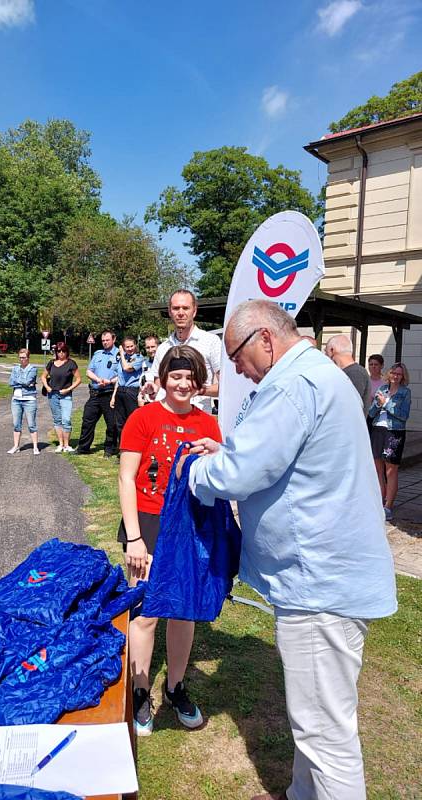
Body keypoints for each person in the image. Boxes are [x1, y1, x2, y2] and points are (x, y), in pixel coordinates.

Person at [182, 300, 396, 800]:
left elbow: (242, 473)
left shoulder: (292, 384)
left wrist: (195, 473)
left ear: (265, 339)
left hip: (318, 583)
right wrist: (230, 453)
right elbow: (273, 453)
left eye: (235, 356)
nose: (234, 369)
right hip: (324, 575)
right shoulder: (315, 375)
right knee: (314, 720)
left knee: (325, 735)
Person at [118, 345, 222, 736]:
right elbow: (127, 478)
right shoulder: (143, 418)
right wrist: (134, 537)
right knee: (145, 613)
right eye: (175, 376)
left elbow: (218, 475)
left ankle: (175, 686)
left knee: (183, 609)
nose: (183, 383)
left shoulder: (208, 424)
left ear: (199, 382)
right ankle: (140, 692)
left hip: (190, 525)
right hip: (147, 522)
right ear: (162, 380)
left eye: (190, 377)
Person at [149, 290, 221, 411]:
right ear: (170, 312)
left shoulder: (211, 342)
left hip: (198, 418)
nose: (180, 313)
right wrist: (152, 390)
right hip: (167, 419)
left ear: (194, 311)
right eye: (176, 308)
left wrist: (197, 390)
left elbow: (225, 387)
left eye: (185, 308)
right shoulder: (163, 348)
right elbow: (158, 384)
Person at [368, 362, 411, 522]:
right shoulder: (382, 389)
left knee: (390, 470)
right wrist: (378, 404)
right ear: (389, 374)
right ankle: (380, 502)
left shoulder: (405, 392)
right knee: (378, 468)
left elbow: (403, 415)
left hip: (394, 432)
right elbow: (371, 413)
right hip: (378, 430)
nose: (395, 376)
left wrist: (387, 404)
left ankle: (388, 506)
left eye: (399, 374)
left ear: (403, 376)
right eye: (393, 373)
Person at [74, 329, 119, 457]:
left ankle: (109, 449)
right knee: (87, 420)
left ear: (113, 340)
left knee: (111, 423)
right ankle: (83, 448)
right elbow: (89, 371)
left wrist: (109, 381)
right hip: (95, 393)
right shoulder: (98, 354)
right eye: (103, 340)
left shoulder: (119, 355)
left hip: (109, 393)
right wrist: (98, 379)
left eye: (107, 340)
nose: (105, 342)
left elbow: (121, 375)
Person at [42, 342, 81, 453]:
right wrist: (47, 387)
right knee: (57, 420)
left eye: (63, 351)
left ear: (67, 352)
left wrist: (68, 389)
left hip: (65, 395)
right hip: (53, 395)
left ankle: (67, 445)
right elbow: (43, 376)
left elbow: (78, 380)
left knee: (66, 420)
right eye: (59, 351)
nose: (61, 353)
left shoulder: (71, 364)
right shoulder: (51, 363)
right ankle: (61, 444)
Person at [109, 335, 144, 435]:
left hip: (131, 392)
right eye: (127, 347)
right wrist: (113, 396)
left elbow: (127, 368)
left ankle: (134, 446)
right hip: (120, 390)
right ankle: (122, 446)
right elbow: (119, 378)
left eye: (131, 346)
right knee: (119, 422)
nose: (130, 349)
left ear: (135, 345)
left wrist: (121, 354)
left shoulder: (138, 358)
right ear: (124, 347)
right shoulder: (122, 359)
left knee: (132, 420)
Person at [324, 334, 370, 408]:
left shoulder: (355, 373)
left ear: (332, 350)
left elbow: (349, 405)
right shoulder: (346, 372)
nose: (325, 355)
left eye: (326, 351)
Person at [8, 348, 39, 455]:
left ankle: (35, 446)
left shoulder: (33, 369)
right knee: (16, 424)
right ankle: (16, 446)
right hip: (16, 399)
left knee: (31, 424)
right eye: (20, 357)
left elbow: (28, 380)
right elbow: (11, 382)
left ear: (28, 358)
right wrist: (24, 382)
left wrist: (22, 381)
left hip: (29, 399)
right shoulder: (15, 368)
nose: (22, 360)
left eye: (24, 358)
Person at [138, 335, 160, 407]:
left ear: (158, 346)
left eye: (153, 347)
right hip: (146, 401)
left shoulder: (164, 362)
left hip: (159, 400)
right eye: (148, 347)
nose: (150, 350)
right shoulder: (145, 363)